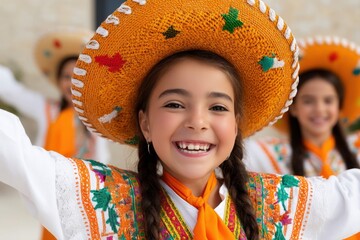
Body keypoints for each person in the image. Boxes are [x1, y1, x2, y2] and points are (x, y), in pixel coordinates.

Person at [0, 1, 360, 239]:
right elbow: (12, 151)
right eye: (174, 104)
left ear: (236, 124)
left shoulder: (278, 203)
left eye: (218, 107)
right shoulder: (102, 199)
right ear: (144, 123)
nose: (197, 121)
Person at [244, 36, 360, 239]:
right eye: (308, 101)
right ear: (294, 108)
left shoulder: (357, 148)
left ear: (339, 107)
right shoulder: (267, 153)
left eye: (328, 100)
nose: (319, 109)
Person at [0, 28, 110, 240]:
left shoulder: (96, 119)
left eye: (77, 76)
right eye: (66, 77)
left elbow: (101, 161)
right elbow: (11, 91)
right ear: (58, 81)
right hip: (51, 191)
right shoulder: (46, 109)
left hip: (83, 195)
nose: (71, 83)